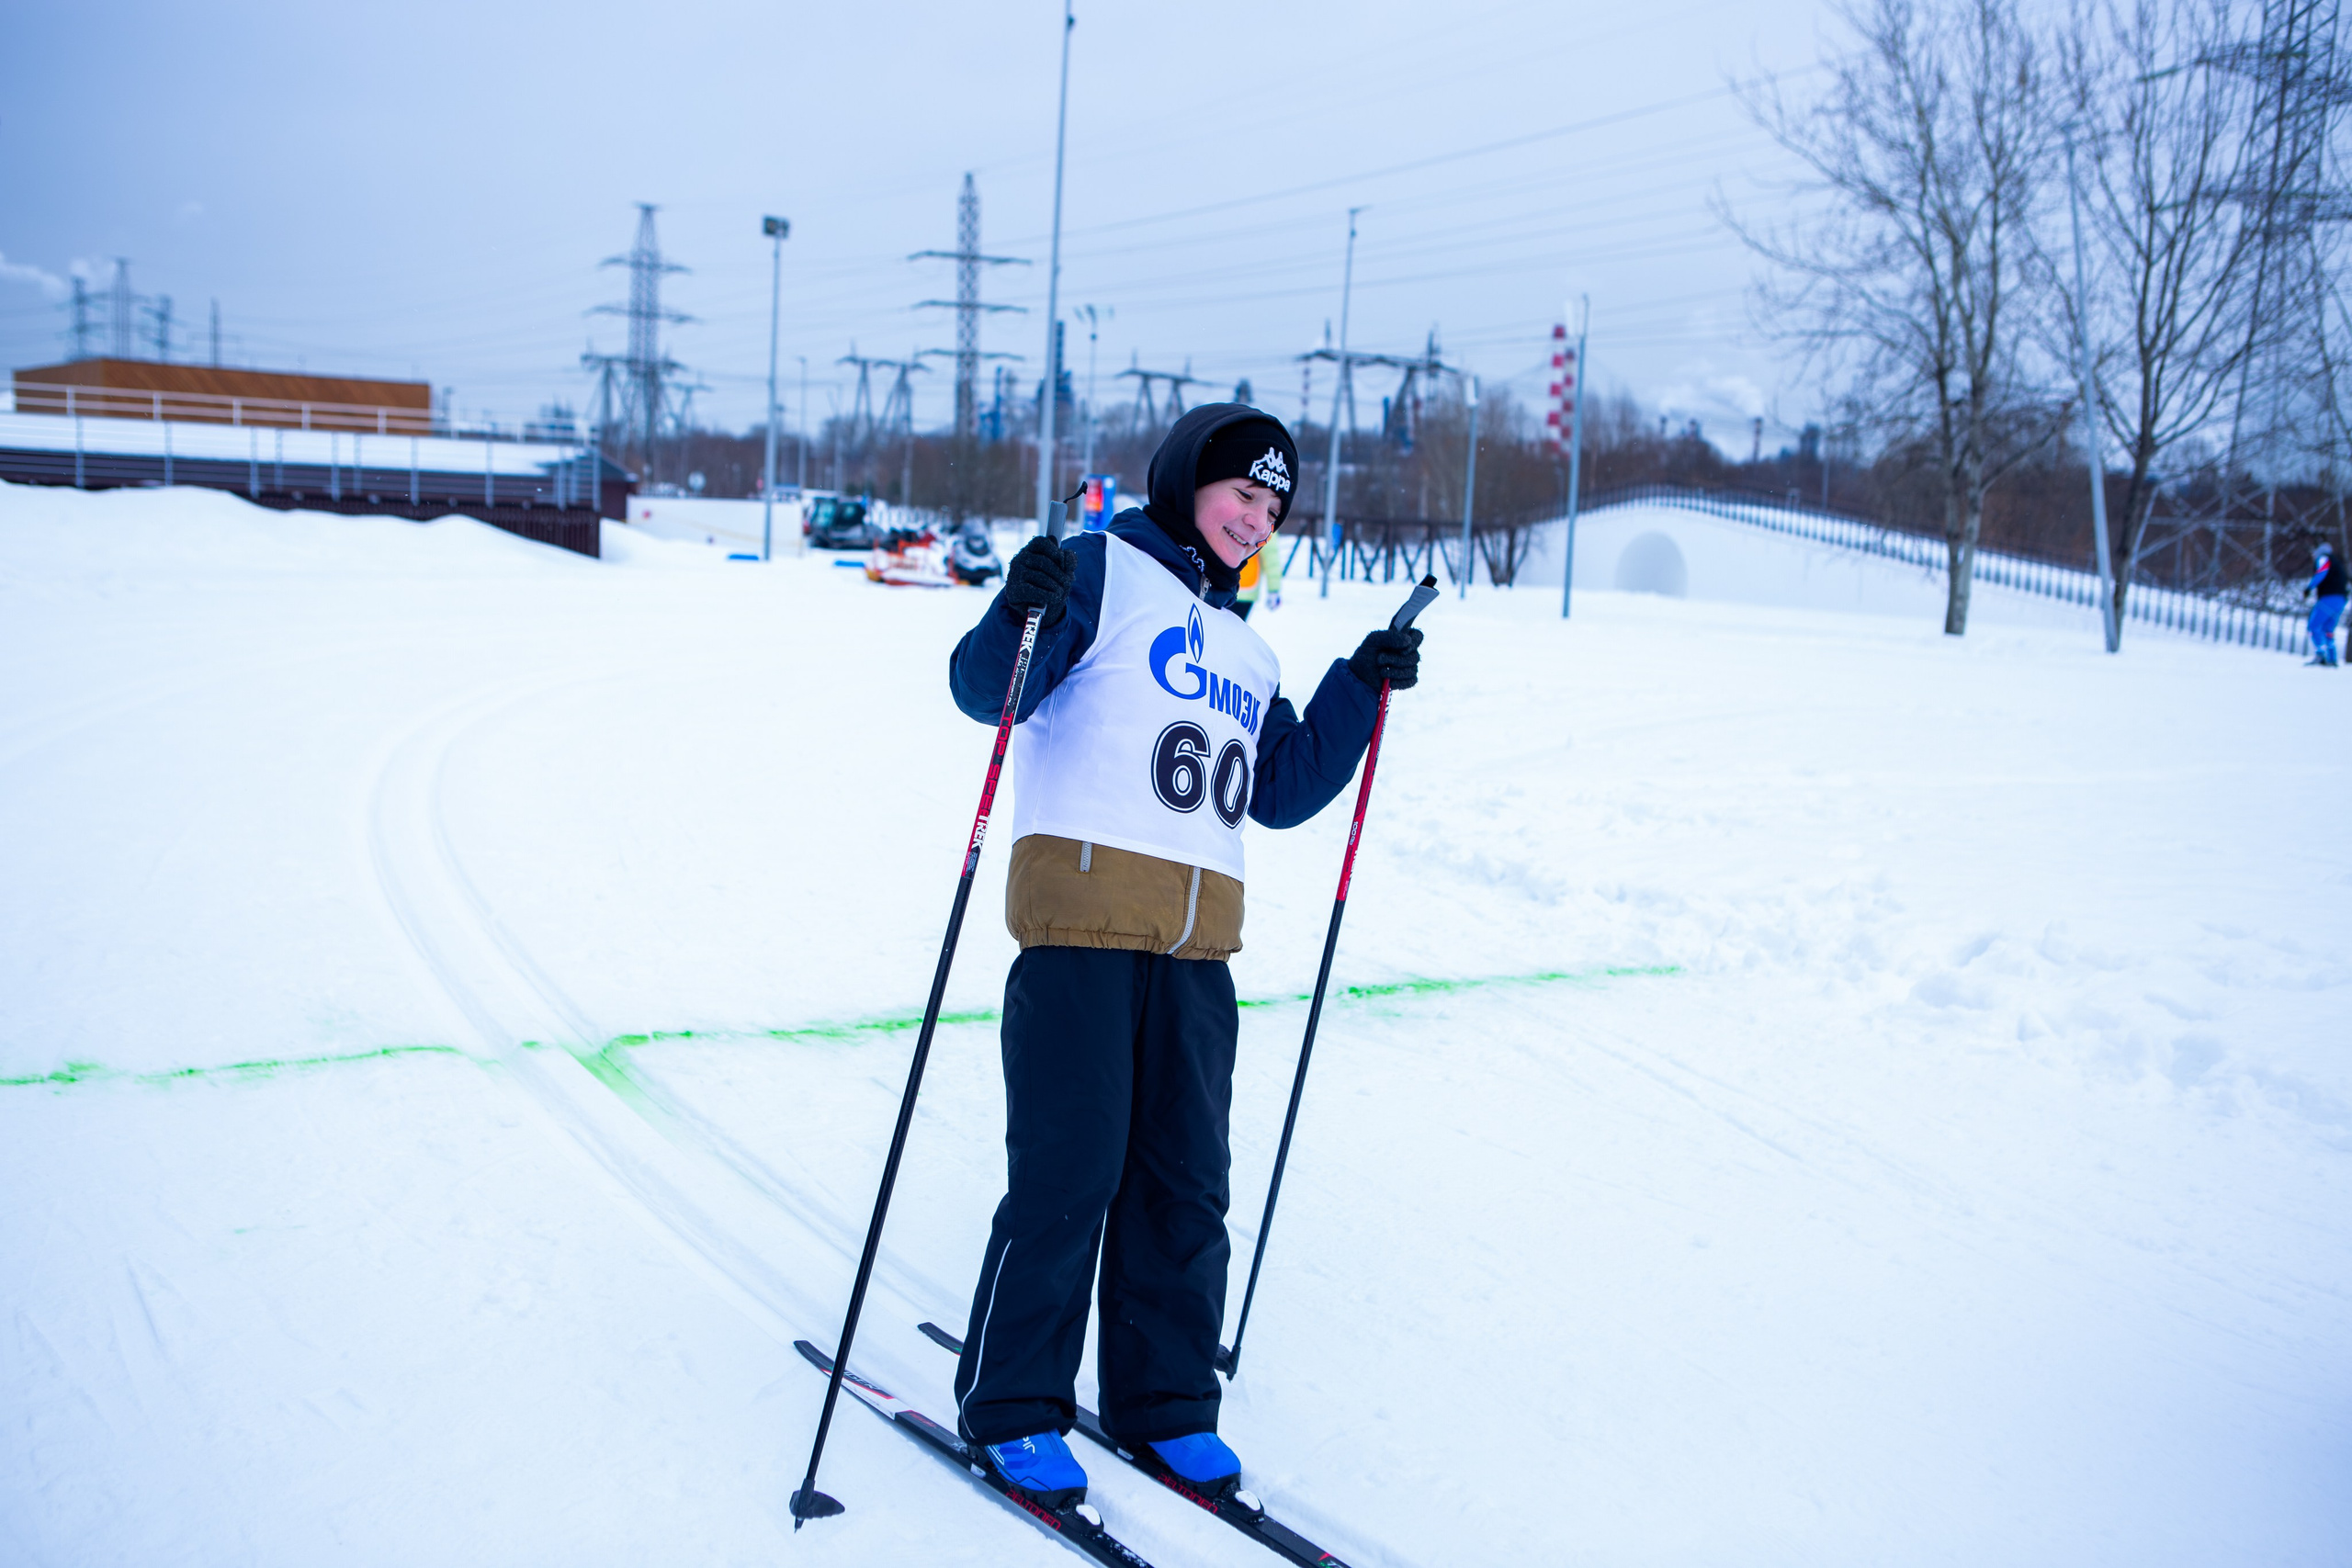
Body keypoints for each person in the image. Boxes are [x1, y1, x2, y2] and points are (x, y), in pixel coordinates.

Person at [942, 403, 1425, 1511]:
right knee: (1069, 1180)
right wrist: (1019, 606)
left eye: (1270, 505)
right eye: (1238, 494)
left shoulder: (1248, 649)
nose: (1254, 519)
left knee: (1183, 1189)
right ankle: (1012, 1408)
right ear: (1181, 482)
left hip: (1199, 951)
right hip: (1078, 937)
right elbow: (988, 693)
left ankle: (1164, 1405)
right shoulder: (1101, 570)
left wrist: (1361, 683)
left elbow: (1288, 787)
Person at [2306, 541, 2346, 667]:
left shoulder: (2324, 558)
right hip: (2341, 599)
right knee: (2328, 629)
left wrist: (2309, 587)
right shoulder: (2338, 563)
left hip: (2328, 597)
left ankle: (2320, 654)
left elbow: (2321, 573)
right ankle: (2332, 658)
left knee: (2313, 626)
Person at [1234, 526, 1283, 619]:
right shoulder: (1267, 522)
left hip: (1241, 586)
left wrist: (1274, 589)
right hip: (1246, 587)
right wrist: (1274, 589)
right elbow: (1271, 558)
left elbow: (1271, 558)